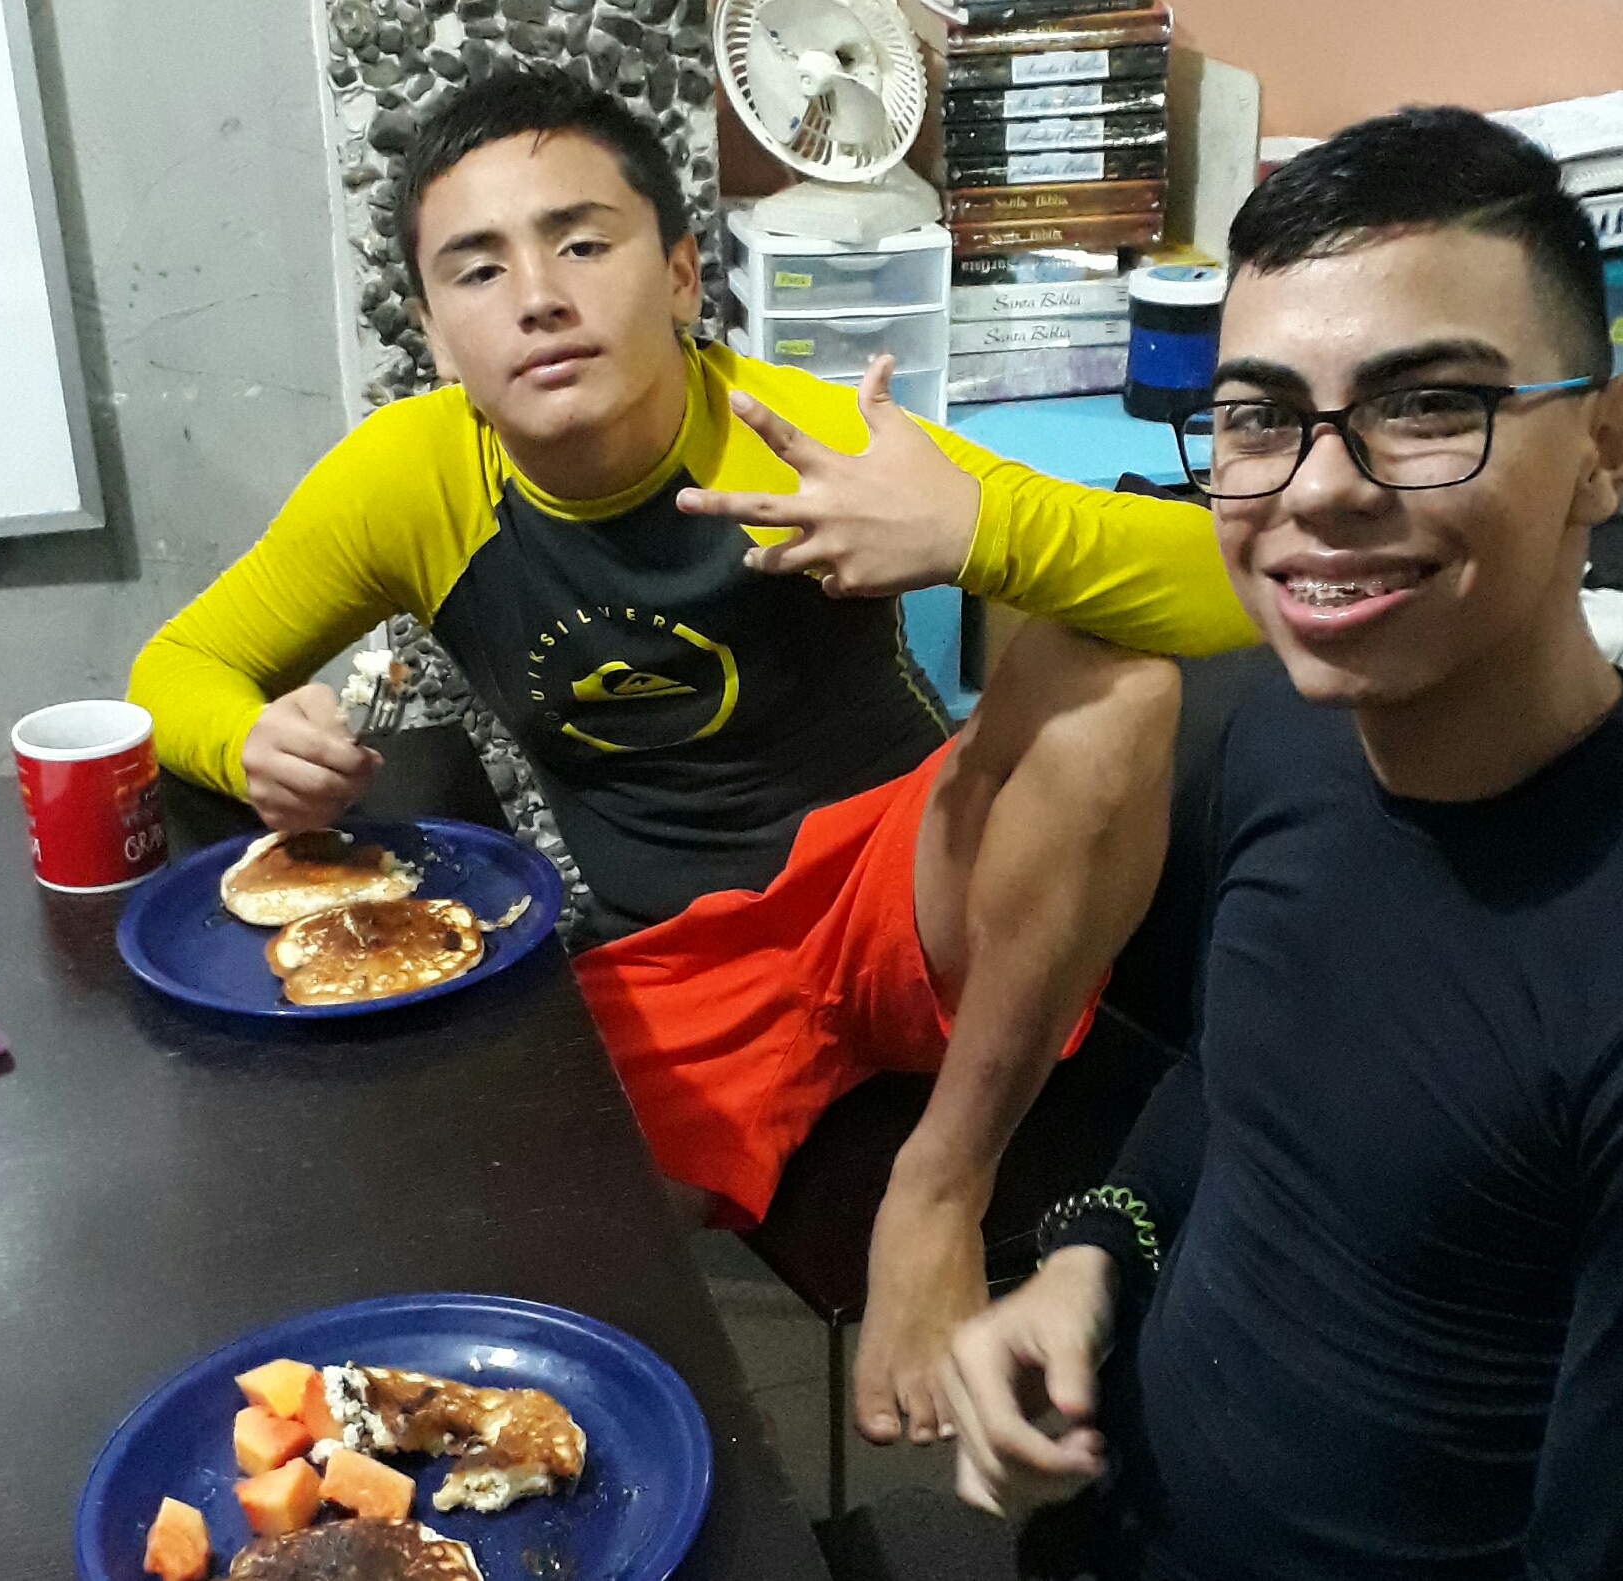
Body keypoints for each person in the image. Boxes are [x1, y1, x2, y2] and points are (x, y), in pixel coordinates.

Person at [128, 66, 1259, 1445]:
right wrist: (248, 737)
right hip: (677, 961)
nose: (537, 297)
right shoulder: (409, 479)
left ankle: (940, 1187)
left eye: (581, 242)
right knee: (480, 1298)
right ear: (433, 330)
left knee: (1115, 686)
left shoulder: (794, 432)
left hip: (908, 890)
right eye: (478, 269)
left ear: (679, 275)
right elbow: (174, 670)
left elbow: (1241, 580)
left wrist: (970, 533)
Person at [932, 107, 1623, 1579]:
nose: (1319, 489)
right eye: (1259, 417)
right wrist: (1092, 1255)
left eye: (1427, 405)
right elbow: (1239, 1075)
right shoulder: (1282, 731)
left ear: (1607, 448)